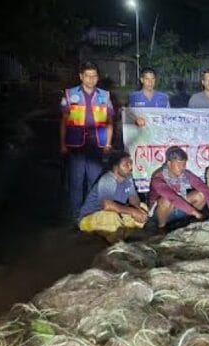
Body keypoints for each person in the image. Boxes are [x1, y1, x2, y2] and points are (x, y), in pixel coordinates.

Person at [60, 61, 115, 221]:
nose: (91, 79)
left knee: (95, 180)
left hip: (97, 144)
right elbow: (64, 121)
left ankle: (91, 213)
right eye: (87, 76)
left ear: (98, 77)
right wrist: (62, 144)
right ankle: (76, 214)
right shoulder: (70, 94)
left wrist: (108, 143)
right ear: (81, 76)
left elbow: (110, 122)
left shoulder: (105, 96)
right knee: (76, 181)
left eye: (94, 76)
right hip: (76, 144)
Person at [77, 152, 149, 243]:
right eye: (126, 165)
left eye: (130, 163)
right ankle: (115, 244)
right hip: (89, 217)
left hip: (114, 213)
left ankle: (120, 236)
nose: (130, 167)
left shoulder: (128, 178)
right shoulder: (108, 179)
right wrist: (133, 211)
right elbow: (107, 205)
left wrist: (138, 210)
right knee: (112, 217)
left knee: (143, 207)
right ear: (115, 167)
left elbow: (133, 198)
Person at [149, 146, 209, 230]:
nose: (182, 168)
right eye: (178, 164)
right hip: (159, 215)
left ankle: (189, 222)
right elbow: (173, 198)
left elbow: (203, 188)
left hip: (179, 207)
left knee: (201, 194)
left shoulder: (185, 173)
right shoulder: (158, 178)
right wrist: (197, 214)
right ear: (169, 163)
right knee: (165, 201)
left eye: (184, 164)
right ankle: (161, 229)